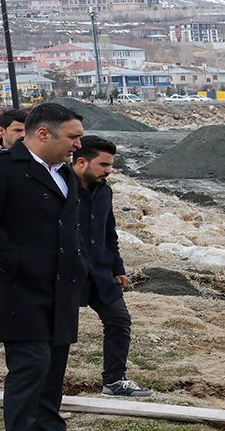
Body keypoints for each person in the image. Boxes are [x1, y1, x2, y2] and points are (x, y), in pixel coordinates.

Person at [0, 102, 104, 431]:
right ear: (43, 133)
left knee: (53, 368)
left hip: (61, 288)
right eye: (73, 137)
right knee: (30, 367)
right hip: (18, 289)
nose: (78, 145)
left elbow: (71, 226)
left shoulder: (65, 173)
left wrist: (81, 267)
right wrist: (19, 263)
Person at [71, 135, 153, 398]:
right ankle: (46, 383)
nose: (109, 171)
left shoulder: (105, 191)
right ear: (81, 162)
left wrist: (118, 268)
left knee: (119, 320)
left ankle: (115, 381)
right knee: (59, 332)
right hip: (69, 272)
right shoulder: (61, 188)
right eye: (104, 165)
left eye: (110, 165)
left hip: (101, 272)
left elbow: (109, 232)